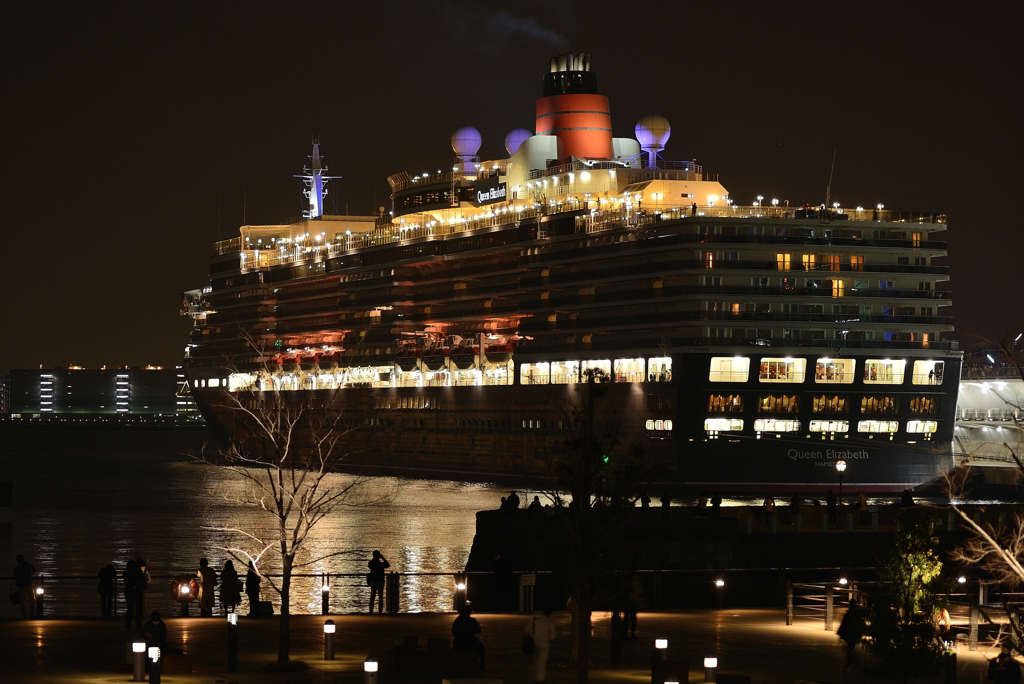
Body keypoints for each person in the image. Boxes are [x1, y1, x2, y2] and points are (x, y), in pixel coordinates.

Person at [524, 608, 556, 683]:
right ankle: (540, 678)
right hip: (544, 643)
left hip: (534, 641)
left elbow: (526, 631)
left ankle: (534, 676)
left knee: (535, 660)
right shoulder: (549, 623)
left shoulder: (535, 620)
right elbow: (553, 636)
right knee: (542, 661)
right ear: (550, 614)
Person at [836, 602, 865, 671]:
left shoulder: (849, 614)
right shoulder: (857, 614)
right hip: (854, 634)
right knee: (851, 649)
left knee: (850, 650)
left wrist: (841, 635)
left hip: (849, 634)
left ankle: (851, 663)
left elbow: (844, 624)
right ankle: (853, 663)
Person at [123, 558, 144, 631]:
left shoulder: (126, 573)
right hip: (137, 592)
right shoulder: (138, 573)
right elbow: (143, 581)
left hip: (129, 592)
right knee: (138, 611)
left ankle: (128, 626)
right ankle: (138, 626)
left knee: (129, 610)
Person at [13, 554, 36, 619]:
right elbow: (34, 569)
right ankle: (32, 614)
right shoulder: (27, 565)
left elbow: (15, 577)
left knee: (22, 602)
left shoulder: (16, 568)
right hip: (28, 584)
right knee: (32, 600)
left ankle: (24, 616)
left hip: (21, 586)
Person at [367, 550, 390, 614]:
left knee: (372, 596)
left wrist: (374, 558)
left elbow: (369, 565)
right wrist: (382, 558)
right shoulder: (381, 564)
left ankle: (371, 611)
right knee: (380, 597)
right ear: (379, 556)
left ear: (373, 555)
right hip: (380, 581)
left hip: (373, 581)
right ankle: (380, 611)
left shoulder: (372, 563)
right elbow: (388, 565)